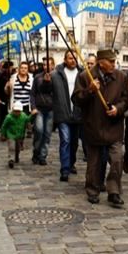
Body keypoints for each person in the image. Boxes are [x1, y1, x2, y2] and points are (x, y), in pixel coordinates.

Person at [73, 49, 128, 207]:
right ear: (100, 62)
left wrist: (118, 109)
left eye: (114, 61)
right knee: (94, 163)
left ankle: (114, 192)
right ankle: (92, 190)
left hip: (114, 126)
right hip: (94, 125)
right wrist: (89, 90)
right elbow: (77, 100)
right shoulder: (85, 76)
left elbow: (126, 99)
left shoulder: (121, 76)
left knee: (117, 159)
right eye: (110, 61)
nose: (113, 64)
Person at [52, 51, 83, 182]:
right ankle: (64, 169)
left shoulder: (82, 74)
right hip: (63, 112)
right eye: (70, 58)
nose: (73, 60)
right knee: (65, 140)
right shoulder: (55, 75)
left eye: (75, 58)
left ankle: (71, 163)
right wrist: (46, 83)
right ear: (65, 59)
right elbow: (47, 91)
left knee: (74, 142)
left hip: (77, 113)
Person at [30, 58, 54, 166]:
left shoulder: (56, 77)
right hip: (39, 108)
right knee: (39, 131)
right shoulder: (37, 77)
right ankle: (36, 151)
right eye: (44, 65)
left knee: (47, 134)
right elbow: (33, 94)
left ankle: (43, 156)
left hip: (51, 109)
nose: (46, 67)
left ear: (53, 65)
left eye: (48, 65)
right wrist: (33, 107)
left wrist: (49, 82)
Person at [1, 100, 32, 168]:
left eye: (18, 111)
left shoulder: (23, 116)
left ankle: (16, 156)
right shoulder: (9, 117)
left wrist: (32, 115)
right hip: (11, 135)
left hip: (19, 135)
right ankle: (11, 159)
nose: (17, 113)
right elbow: (4, 126)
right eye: (16, 111)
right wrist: (3, 134)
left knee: (17, 148)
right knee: (12, 147)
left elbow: (28, 120)